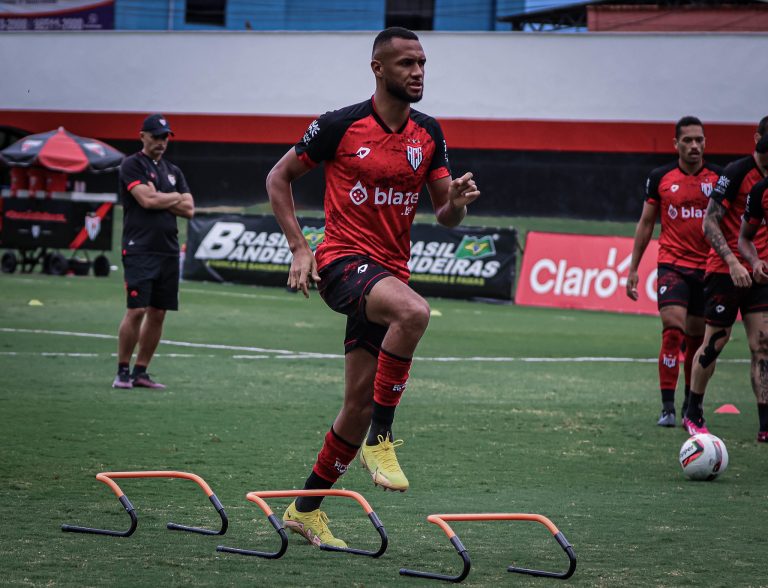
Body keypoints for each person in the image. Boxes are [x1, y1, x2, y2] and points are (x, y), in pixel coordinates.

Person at [266, 27, 480, 548]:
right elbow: (278, 178)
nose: (418, 72)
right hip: (341, 264)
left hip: (388, 273)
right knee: (415, 314)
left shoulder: (429, 133)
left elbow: (446, 216)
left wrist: (457, 200)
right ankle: (382, 441)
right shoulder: (339, 125)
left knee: (356, 406)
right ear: (378, 68)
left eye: (423, 63)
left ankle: (305, 508)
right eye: (407, 63)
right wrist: (300, 247)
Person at [626, 116, 721, 428]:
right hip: (672, 265)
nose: (694, 146)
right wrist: (634, 268)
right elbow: (646, 223)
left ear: (705, 143)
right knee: (672, 330)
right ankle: (667, 407)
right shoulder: (660, 178)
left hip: (707, 269)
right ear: (676, 144)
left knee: (696, 341)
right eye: (688, 140)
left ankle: (689, 405)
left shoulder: (719, 180)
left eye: (699, 140)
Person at [683, 117, 768, 436]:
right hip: (724, 271)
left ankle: (765, 424)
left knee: (763, 343)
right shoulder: (736, 173)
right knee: (715, 342)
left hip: (759, 274)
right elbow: (709, 223)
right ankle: (693, 410)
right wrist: (733, 262)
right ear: (759, 139)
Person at [112, 114, 195, 390]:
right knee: (137, 310)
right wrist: (172, 197)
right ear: (142, 136)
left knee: (158, 313)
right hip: (140, 248)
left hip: (168, 250)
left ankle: (141, 372)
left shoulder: (173, 170)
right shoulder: (131, 164)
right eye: (156, 136)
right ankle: (122, 371)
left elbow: (190, 209)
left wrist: (161, 195)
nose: (161, 142)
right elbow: (146, 201)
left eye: (165, 137)